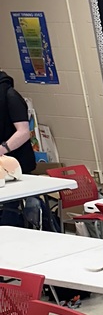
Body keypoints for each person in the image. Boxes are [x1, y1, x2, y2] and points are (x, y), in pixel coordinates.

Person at [0, 70, 42, 229]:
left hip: (17, 166)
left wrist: (2, 148)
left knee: (10, 215)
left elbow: (24, 132)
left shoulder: (10, 96)